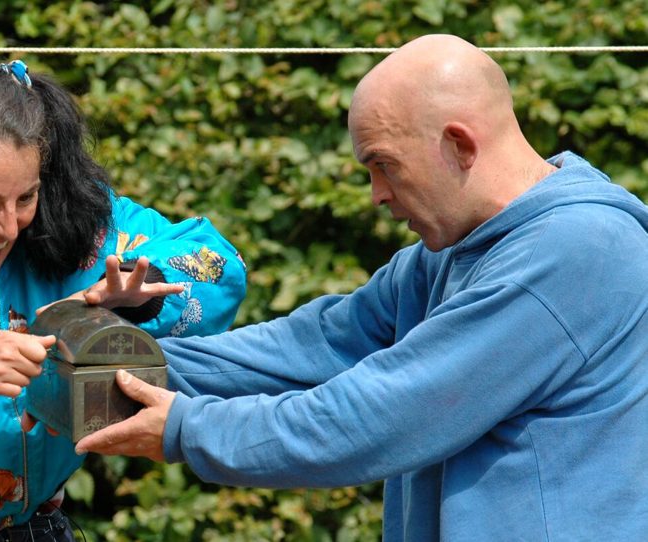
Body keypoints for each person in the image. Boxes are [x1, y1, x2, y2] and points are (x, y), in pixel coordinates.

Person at [74, 34, 648, 540]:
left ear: (460, 145)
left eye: (383, 164)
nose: (375, 193)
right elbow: (308, 348)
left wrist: (185, 428)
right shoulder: (446, 255)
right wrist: (101, 362)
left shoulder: (576, 251)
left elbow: (381, 414)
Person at [0, 57, 246, 539]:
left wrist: (143, 291)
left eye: (24, 198)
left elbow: (218, 262)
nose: (8, 228)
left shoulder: (67, 206)